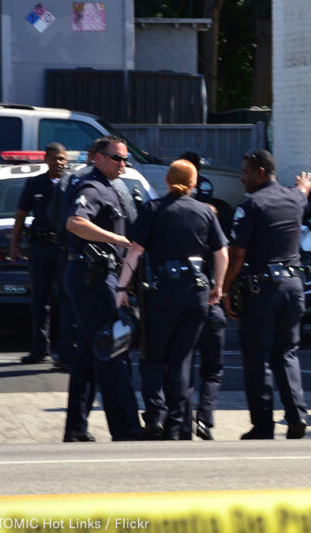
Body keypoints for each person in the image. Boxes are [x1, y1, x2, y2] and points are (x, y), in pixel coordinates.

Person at [115, 159, 228, 440]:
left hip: (161, 292)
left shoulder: (152, 209)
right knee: (181, 358)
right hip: (196, 292)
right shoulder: (205, 211)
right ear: (193, 184)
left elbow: (135, 251)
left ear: (166, 181)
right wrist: (218, 286)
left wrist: (121, 288)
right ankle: (176, 425)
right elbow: (221, 253)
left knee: (153, 356)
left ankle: (156, 415)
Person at [221, 149, 311, 440]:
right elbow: (303, 193)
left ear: (260, 172)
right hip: (293, 287)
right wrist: (304, 186)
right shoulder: (294, 198)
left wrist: (224, 289)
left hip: (262, 290)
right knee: (287, 353)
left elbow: (237, 255)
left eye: (245, 171)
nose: (241, 177)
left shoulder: (250, 205)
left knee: (257, 358)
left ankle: (263, 425)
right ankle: (297, 415)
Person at [62, 135, 142, 442]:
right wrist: (116, 239)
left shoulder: (110, 187)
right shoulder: (92, 187)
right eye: (117, 158)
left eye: (125, 159)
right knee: (113, 348)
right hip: (92, 276)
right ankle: (126, 428)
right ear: (98, 158)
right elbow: (75, 223)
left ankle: (76, 428)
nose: (123, 164)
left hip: (100, 275)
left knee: (88, 353)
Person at [178, 151, 229, 440]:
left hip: (185, 298)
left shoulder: (179, 220)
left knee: (184, 363)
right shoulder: (213, 227)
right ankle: (205, 420)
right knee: (211, 370)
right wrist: (220, 288)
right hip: (211, 301)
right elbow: (224, 255)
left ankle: (185, 423)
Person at [11, 143, 67, 365]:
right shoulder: (35, 183)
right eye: (54, 158)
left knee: (66, 299)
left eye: (62, 159)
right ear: (46, 160)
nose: (59, 162)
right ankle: (39, 349)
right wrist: (15, 244)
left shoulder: (72, 183)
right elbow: (20, 215)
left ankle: (65, 351)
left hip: (63, 247)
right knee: (40, 300)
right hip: (40, 247)